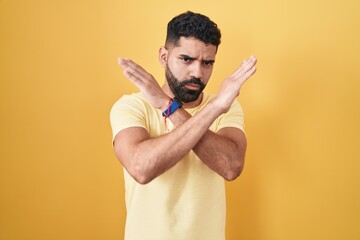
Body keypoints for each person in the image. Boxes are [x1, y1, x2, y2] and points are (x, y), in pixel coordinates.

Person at [110, 11, 257, 240]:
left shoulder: (224, 106)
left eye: (207, 63)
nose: (197, 73)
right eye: (186, 59)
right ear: (163, 56)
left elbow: (231, 167)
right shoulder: (131, 107)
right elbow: (141, 168)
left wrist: (168, 106)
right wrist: (206, 108)